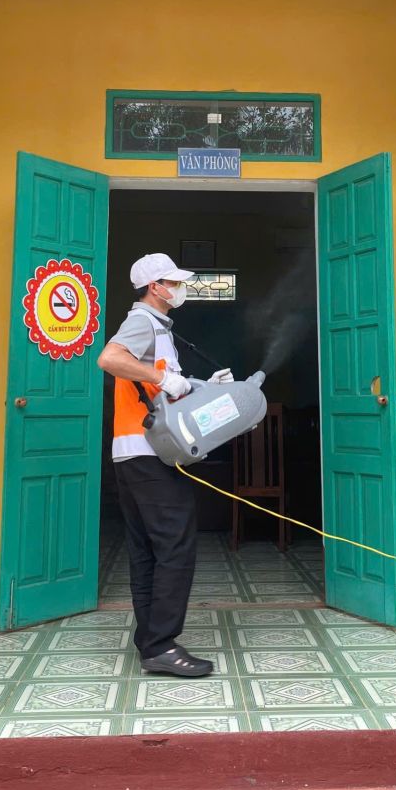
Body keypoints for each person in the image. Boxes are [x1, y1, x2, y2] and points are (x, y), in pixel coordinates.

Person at [97, 253, 233, 678]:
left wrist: (200, 387)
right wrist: (163, 378)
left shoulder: (160, 329)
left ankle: (150, 641)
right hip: (148, 455)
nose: (180, 288)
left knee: (147, 550)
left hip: (135, 453)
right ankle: (161, 644)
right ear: (155, 287)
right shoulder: (143, 321)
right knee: (175, 547)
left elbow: (161, 393)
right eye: (174, 282)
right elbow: (109, 358)